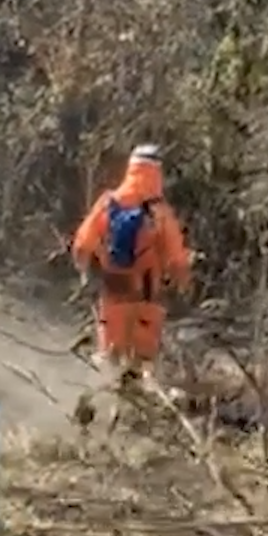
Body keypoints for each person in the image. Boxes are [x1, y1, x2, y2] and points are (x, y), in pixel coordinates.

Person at [70, 144, 193, 391]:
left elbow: (82, 243)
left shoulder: (108, 202)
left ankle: (98, 399)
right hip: (147, 292)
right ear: (157, 173)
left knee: (110, 353)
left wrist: (84, 269)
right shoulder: (160, 212)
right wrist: (183, 282)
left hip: (114, 287)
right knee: (142, 360)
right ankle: (137, 409)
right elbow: (177, 260)